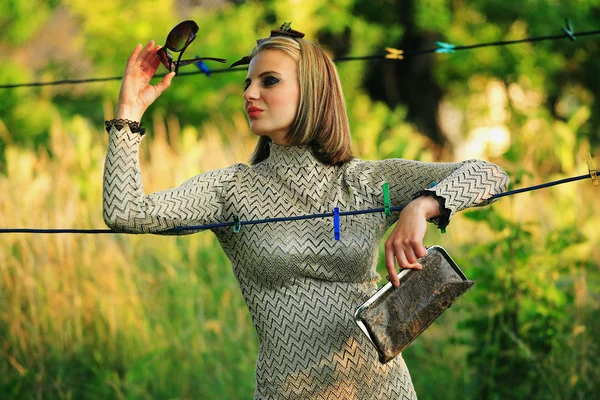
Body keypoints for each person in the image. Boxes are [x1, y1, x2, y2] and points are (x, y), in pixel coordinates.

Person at [103, 26, 509, 399]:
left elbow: (491, 174)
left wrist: (424, 204)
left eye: (269, 81)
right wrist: (128, 113)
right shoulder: (230, 190)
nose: (249, 93)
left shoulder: (366, 181)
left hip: (382, 390)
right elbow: (125, 211)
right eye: (248, 83)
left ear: (312, 91)